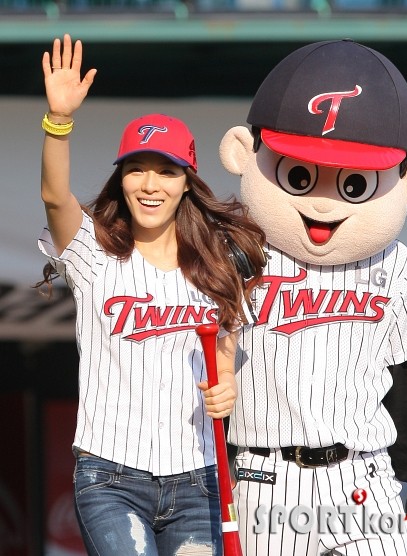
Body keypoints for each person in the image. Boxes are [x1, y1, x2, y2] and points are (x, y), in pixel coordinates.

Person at [35, 34, 266, 556]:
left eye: (165, 171)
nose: (150, 183)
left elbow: (225, 350)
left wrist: (226, 382)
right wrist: (59, 121)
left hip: (199, 478)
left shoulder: (214, 263)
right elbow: (54, 196)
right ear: (120, 179)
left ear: (187, 182)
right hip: (110, 477)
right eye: (137, 168)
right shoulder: (94, 253)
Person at [219, 39, 407, 555]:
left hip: (364, 476)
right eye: (299, 174)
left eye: (353, 182)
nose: (322, 201)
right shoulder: (236, 253)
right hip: (263, 477)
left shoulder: (394, 263)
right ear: (242, 152)